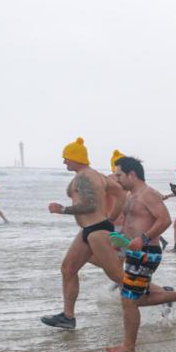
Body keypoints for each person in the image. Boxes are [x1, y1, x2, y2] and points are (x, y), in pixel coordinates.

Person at [104, 156, 176, 352]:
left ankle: (128, 346)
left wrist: (144, 238)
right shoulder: (130, 196)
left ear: (132, 174)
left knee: (129, 300)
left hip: (147, 252)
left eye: (119, 175)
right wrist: (119, 240)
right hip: (133, 251)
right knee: (135, 297)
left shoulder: (148, 194)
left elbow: (165, 220)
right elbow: (131, 223)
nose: (117, 179)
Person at [42, 137, 123, 330]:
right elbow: (120, 192)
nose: (64, 162)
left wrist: (62, 210)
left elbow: (90, 205)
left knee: (118, 276)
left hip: (97, 230)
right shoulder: (99, 176)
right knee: (68, 269)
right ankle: (68, 317)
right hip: (90, 229)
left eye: (66, 158)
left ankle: (164, 296)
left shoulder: (85, 177)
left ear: (75, 157)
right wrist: (113, 214)